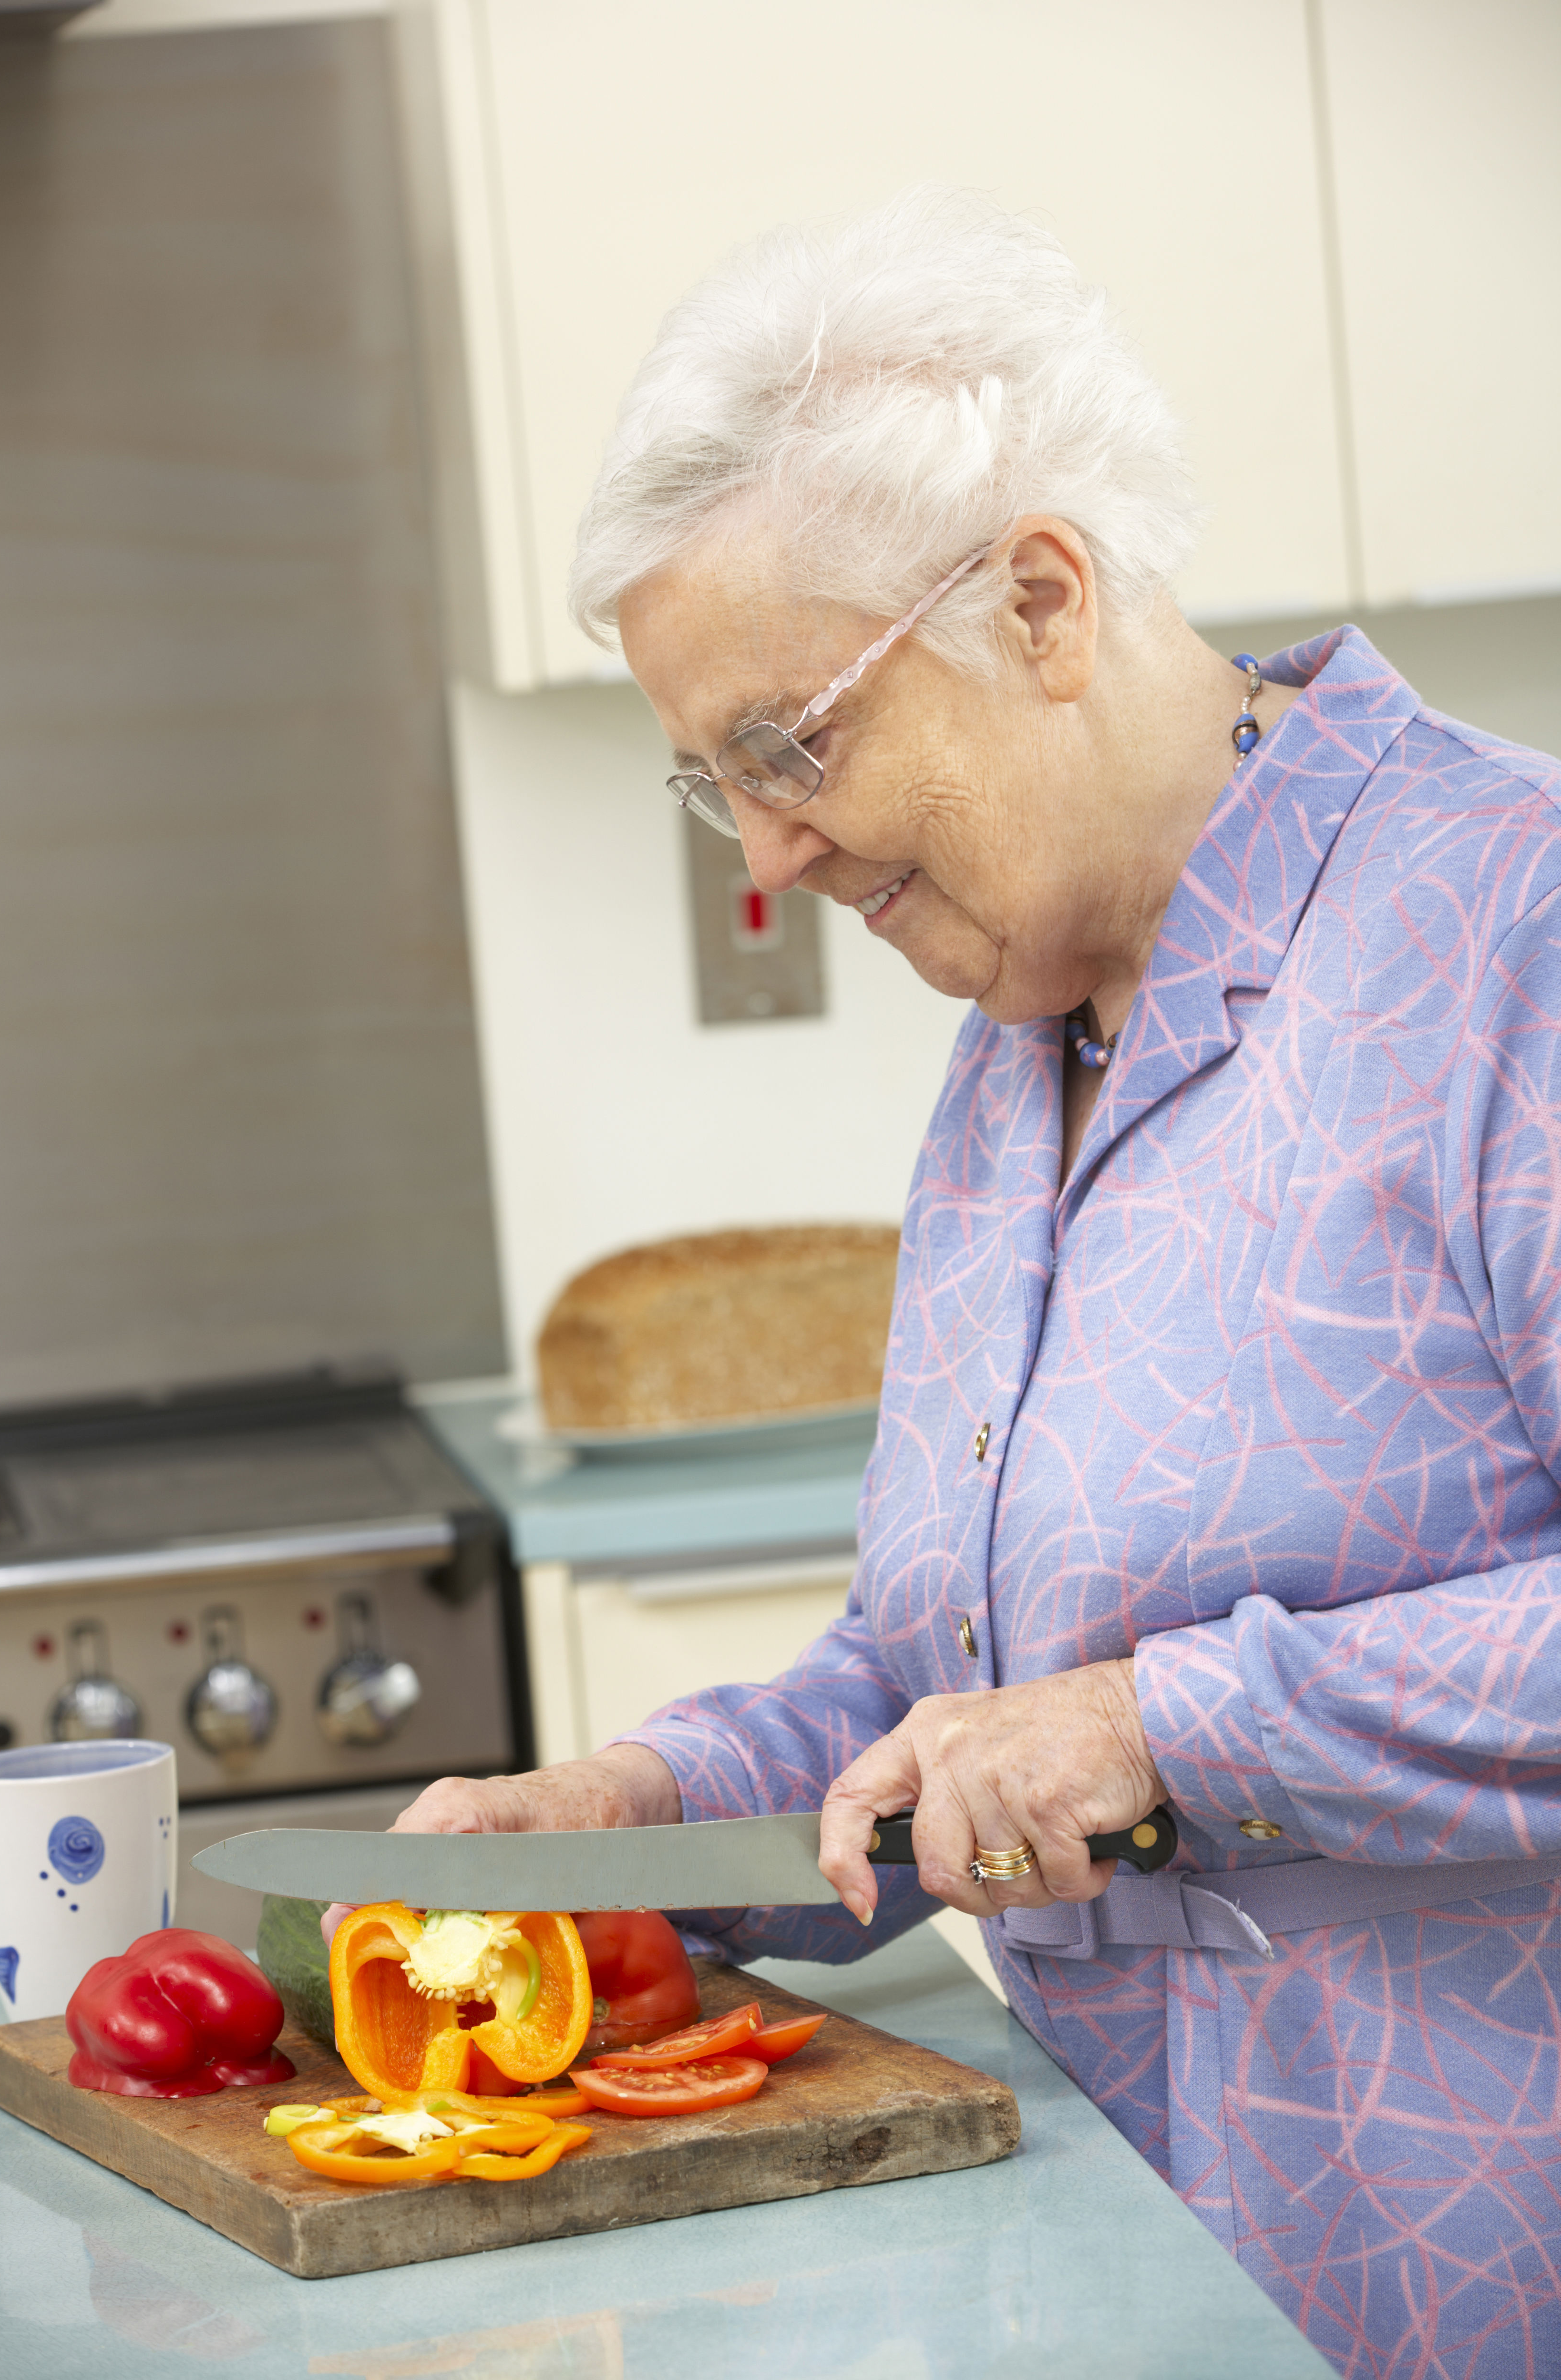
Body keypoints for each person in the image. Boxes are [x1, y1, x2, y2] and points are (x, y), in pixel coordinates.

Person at [346, 194, 1561, 2375]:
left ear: (1038, 600)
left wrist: (1156, 1725)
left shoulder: (1513, 936)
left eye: (789, 748)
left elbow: (1096, 1719)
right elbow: (946, 1688)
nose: (767, 858)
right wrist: (649, 1807)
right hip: (1141, 2278)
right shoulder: (1020, 1050)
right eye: (713, 780)